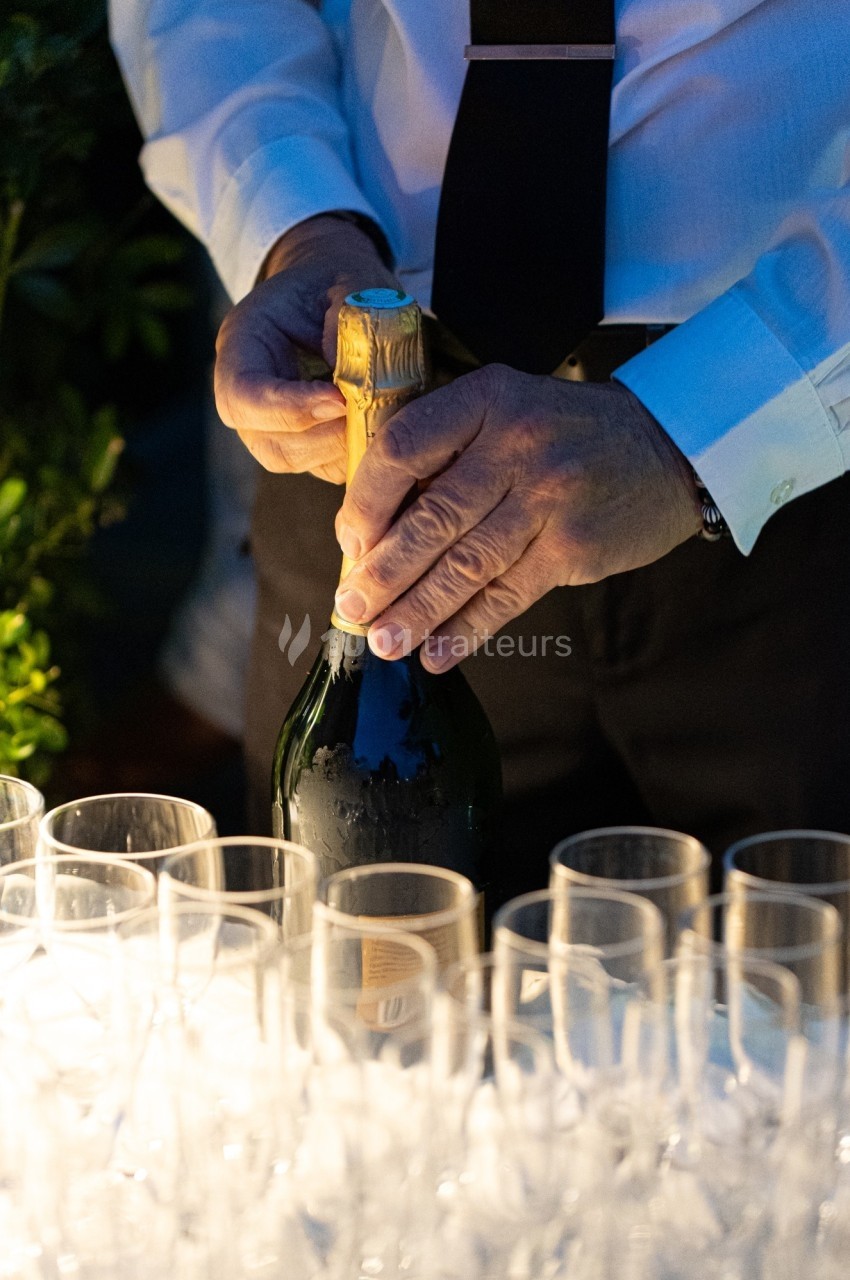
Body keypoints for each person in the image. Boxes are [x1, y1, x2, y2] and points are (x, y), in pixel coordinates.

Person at [109, 0, 850, 903]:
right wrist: (295, 220)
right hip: (373, 420)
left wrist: (701, 425)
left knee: (803, 1004)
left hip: (800, 461)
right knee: (365, 1004)